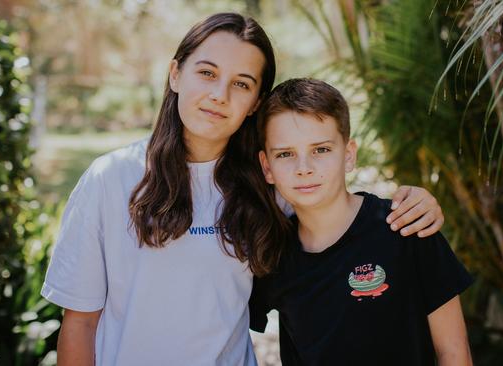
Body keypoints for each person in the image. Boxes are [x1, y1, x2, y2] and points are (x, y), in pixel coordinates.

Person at [41, 14, 446, 366]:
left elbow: (341, 210)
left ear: (255, 102)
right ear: (175, 74)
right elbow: (80, 323)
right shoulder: (110, 179)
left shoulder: (268, 184)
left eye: (242, 83)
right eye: (207, 73)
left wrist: (415, 200)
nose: (219, 95)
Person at [250, 78, 473, 365]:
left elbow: (454, 352)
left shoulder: (406, 226)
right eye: (285, 154)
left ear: (349, 155)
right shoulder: (271, 256)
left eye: (321, 149)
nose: (303, 168)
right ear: (267, 167)